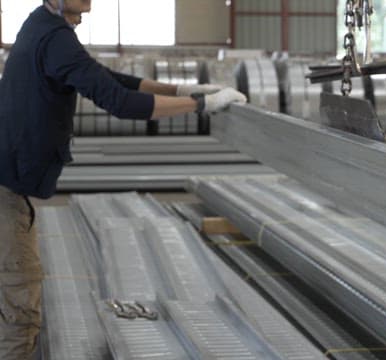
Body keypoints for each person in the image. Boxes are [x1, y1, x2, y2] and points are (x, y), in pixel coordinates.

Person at [0, 0, 246, 358]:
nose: (86, 8)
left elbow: (105, 77)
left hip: (9, 187)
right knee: (20, 314)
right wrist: (200, 106)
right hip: (5, 196)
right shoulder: (53, 37)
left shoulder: (41, 26)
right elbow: (118, 100)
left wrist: (178, 91)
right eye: (79, 6)